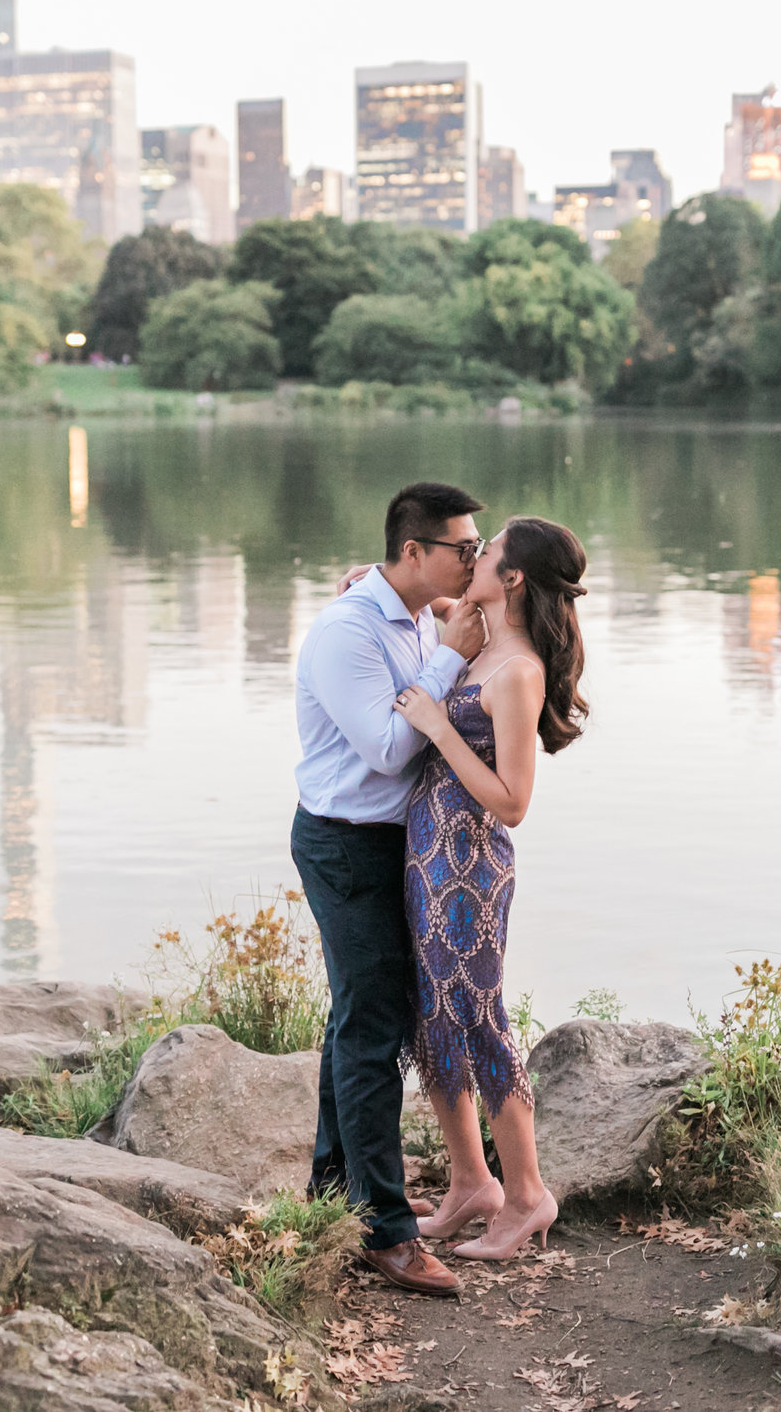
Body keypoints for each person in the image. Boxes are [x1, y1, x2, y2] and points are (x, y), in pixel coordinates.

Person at [292, 482, 489, 1297]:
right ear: (415, 550)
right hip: (344, 843)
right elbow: (383, 747)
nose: (473, 560)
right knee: (373, 1028)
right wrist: (449, 654)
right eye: (463, 549)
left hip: (386, 844)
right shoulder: (348, 630)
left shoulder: (409, 612)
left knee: (361, 1016)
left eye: (478, 549)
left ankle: (336, 1188)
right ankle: (385, 1231)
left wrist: (444, 633)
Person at [391, 516, 591, 1260]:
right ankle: (471, 1184)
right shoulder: (478, 631)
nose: (472, 557)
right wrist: (368, 582)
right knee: (433, 1017)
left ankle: (528, 1195)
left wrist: (439, 728)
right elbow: (425, 600)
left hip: (470, 868)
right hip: (427, 857)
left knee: (479, 1021)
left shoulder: (519, 670)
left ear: (511, 579)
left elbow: (511, 801)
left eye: (488, 551)